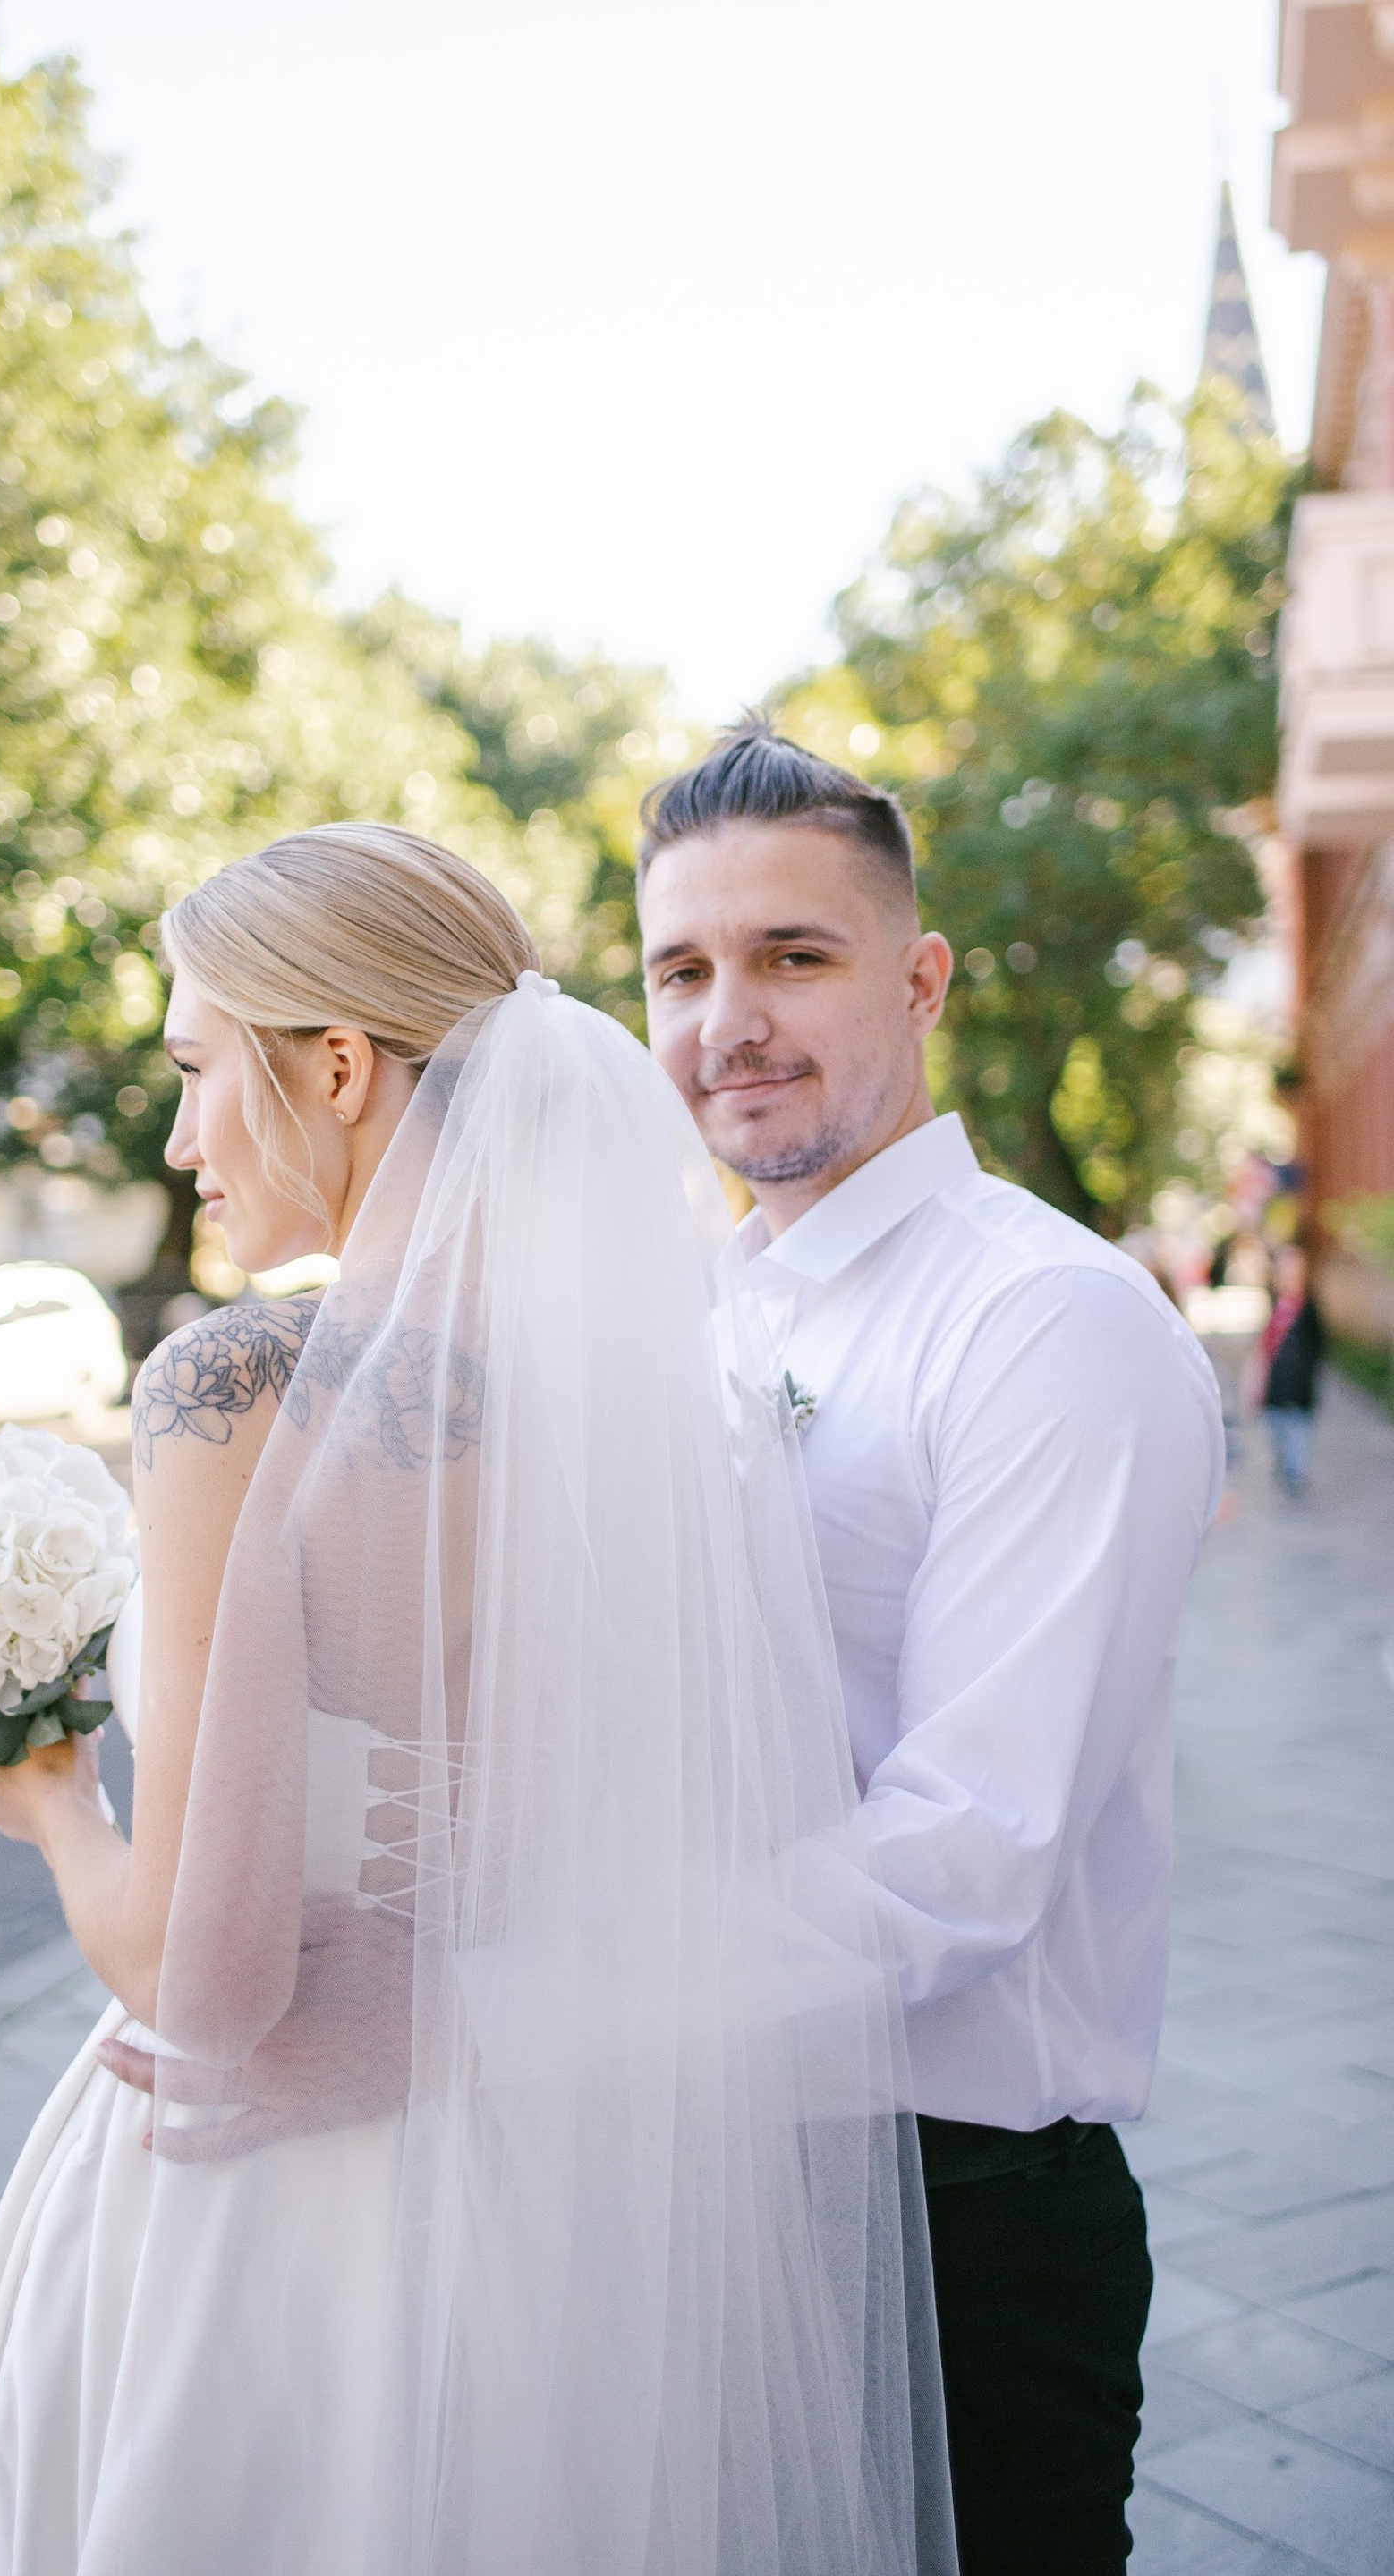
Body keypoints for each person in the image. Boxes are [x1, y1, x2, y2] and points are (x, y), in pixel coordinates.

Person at [0, 824, 956, 2576]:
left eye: (191, 1071)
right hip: (564, 2209)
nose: (180, 1142)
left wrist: (52, 1811)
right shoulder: (657, 1422)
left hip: (284, 2222)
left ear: (332, 1063)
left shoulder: (235, 1389)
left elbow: (207, 1985)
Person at [639, 721, 1224, 2576]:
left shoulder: (1043, 1319)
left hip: (958, 2203)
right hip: (714, 2181)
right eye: (682, 968)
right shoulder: (691, 1314)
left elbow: (970, 1844)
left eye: (792, 957)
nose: (730, 1019)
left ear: (920, 975)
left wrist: (550, 1995)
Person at [1246, 1240, 1324, 1497]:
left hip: (1297, 1391)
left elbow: (1316, 1351)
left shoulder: (1309, 1309)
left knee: (1297, 1435)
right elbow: (1265, 1349)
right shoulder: (1276, 1304)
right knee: (1276, 1431)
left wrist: (1300, 1380)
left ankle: (1296, 1477)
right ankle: (1284, 1469)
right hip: (1275, 1388)